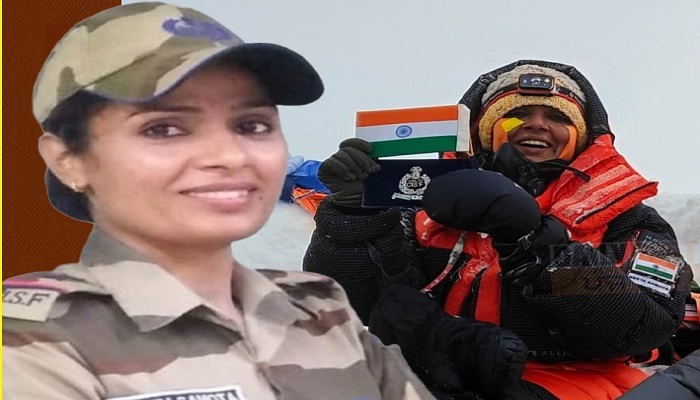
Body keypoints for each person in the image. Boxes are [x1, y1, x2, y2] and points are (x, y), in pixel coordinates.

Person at [1, 3, 436, 399]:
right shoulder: (30, 339)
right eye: (163, 128)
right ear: (68, 161)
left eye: (252, 125)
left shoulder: (321, 311)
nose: (230, 155)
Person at [303, 60, 694, 399]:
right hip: (432, 368)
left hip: (572, 383)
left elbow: (645, 327)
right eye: (517, 113)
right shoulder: (426, 206)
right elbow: (354, 302)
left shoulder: (629, 219)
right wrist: (357, 214)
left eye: (558, 117)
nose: (537, 124)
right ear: (486, 130)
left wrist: (537, 244)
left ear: (582, 138)